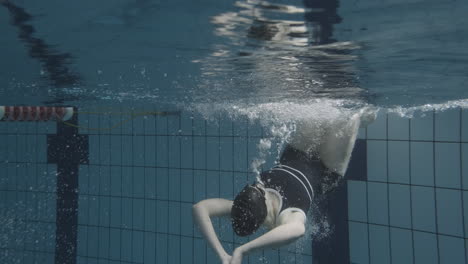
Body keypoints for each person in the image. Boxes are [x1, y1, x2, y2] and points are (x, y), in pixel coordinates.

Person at [193, 110, 373, 264]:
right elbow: (298, 231)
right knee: (350, 114)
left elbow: (199, 208)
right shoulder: (288, 217)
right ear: (263, 202)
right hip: (326, 171)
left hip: (295, 152)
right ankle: (365, 118)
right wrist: (243, 251)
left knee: (317, 106)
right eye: (260, 190)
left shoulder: (240, 208)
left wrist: (223, 255)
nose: (259, 184)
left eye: (255, 185)